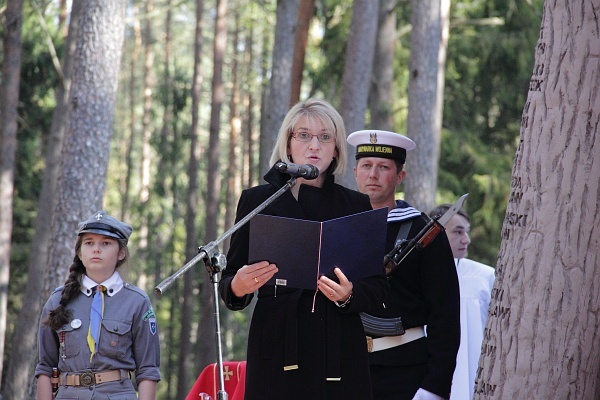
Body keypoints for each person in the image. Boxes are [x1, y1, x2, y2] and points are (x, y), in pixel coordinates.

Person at [219, 99, 389, 400]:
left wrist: (349, 295)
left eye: (325, 137)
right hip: (276, 343)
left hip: (338, 347)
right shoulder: (258, 200)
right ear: (288, 143)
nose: (315, 145)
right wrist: (238, 284)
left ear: (336, 149)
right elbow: (231, 285)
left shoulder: (356, 205)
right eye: (304, 135)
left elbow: (377, 290)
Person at [348, 130, 460, 400]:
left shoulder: (423, 232)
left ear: (400, 177)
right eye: (366, 166)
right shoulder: (340, 228)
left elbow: (445, 314)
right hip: (347, 370)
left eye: (383, 167)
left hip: (405, 372)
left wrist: (434, 387)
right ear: (355, 172)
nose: (373, 174)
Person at [36, 211, 160, 400]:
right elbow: (45, 368)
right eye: (89, 243)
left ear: (121, 253)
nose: (96, 249)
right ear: (79, 252)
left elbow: (148, 370)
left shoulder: (137, 302)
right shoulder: (58, 300)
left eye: (106, 243)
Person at [429, 204, 495, 400]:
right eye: (458, 232)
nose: (466, 240)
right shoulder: (419, 276)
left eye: (466, 232)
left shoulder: (485, 277)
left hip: (477, 376)